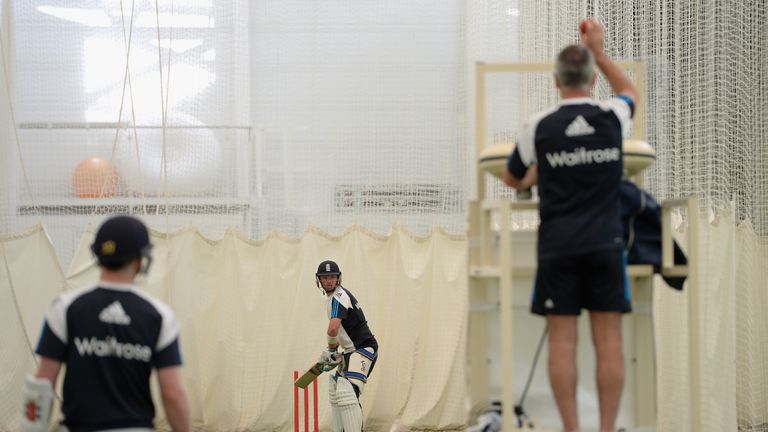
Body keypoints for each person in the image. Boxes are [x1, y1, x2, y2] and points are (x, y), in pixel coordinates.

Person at [501, 18, 638, 432]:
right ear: (593, 78)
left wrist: (536, 175)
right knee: (608, 340)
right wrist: (598, 49)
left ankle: (572, 430)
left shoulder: (539, 125)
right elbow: (631, 92)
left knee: (563, 341)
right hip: (604, 243)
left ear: (556, 80)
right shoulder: (612, 116)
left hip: (558, 246)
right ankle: (607, 430)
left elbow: (510, 176)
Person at [22, 215, 190, 432]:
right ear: (140, 260)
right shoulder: (159, 315)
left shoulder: (65, 307)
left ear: (98, 256)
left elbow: (42, 384)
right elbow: (173, 394)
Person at [315, 260, 378, 432]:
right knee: (335, 389)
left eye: (332, 277)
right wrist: (336, 352)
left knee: (347, 392)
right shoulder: (330, 299)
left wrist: (331, 350)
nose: (329, 280)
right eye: (325, 277)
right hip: (351, 351)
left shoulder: (339, 296)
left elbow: (333, 328)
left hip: (364, 348)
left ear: (338, 278)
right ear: (319, 280)